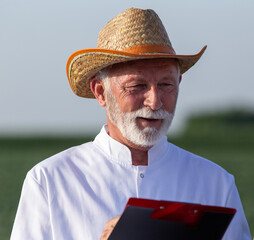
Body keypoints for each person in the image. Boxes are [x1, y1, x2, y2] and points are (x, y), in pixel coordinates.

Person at [11, 7, 251, 240]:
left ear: (179, 82)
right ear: (101, 92)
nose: (155, 101)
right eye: (137, 86)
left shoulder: (216, 183)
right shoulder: (50, 181)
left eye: (166, 85)